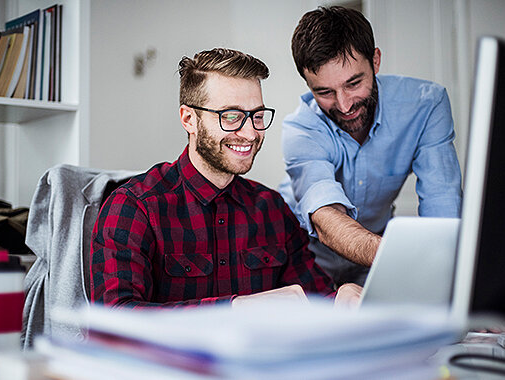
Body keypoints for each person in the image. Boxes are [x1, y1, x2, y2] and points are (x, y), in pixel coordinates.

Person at [90, 47, 361, 309]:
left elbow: (313, 301)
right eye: (231, 116)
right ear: (189, 119)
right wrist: (235, 308)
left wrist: (339, 299)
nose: (250, 133)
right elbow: (115, 322)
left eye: (257, 116)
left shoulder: (272, 209)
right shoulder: (135, 207)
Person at [279, 6, 462, 286]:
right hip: (304, 256)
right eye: (324, 92)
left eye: (354, 83)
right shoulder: (301, 128)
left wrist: (452, 280)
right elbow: (327, 217)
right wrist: (406, 258)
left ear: (375, 61)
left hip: (374, 254)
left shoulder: (426, 106)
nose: (344, 105)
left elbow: (442, 209)